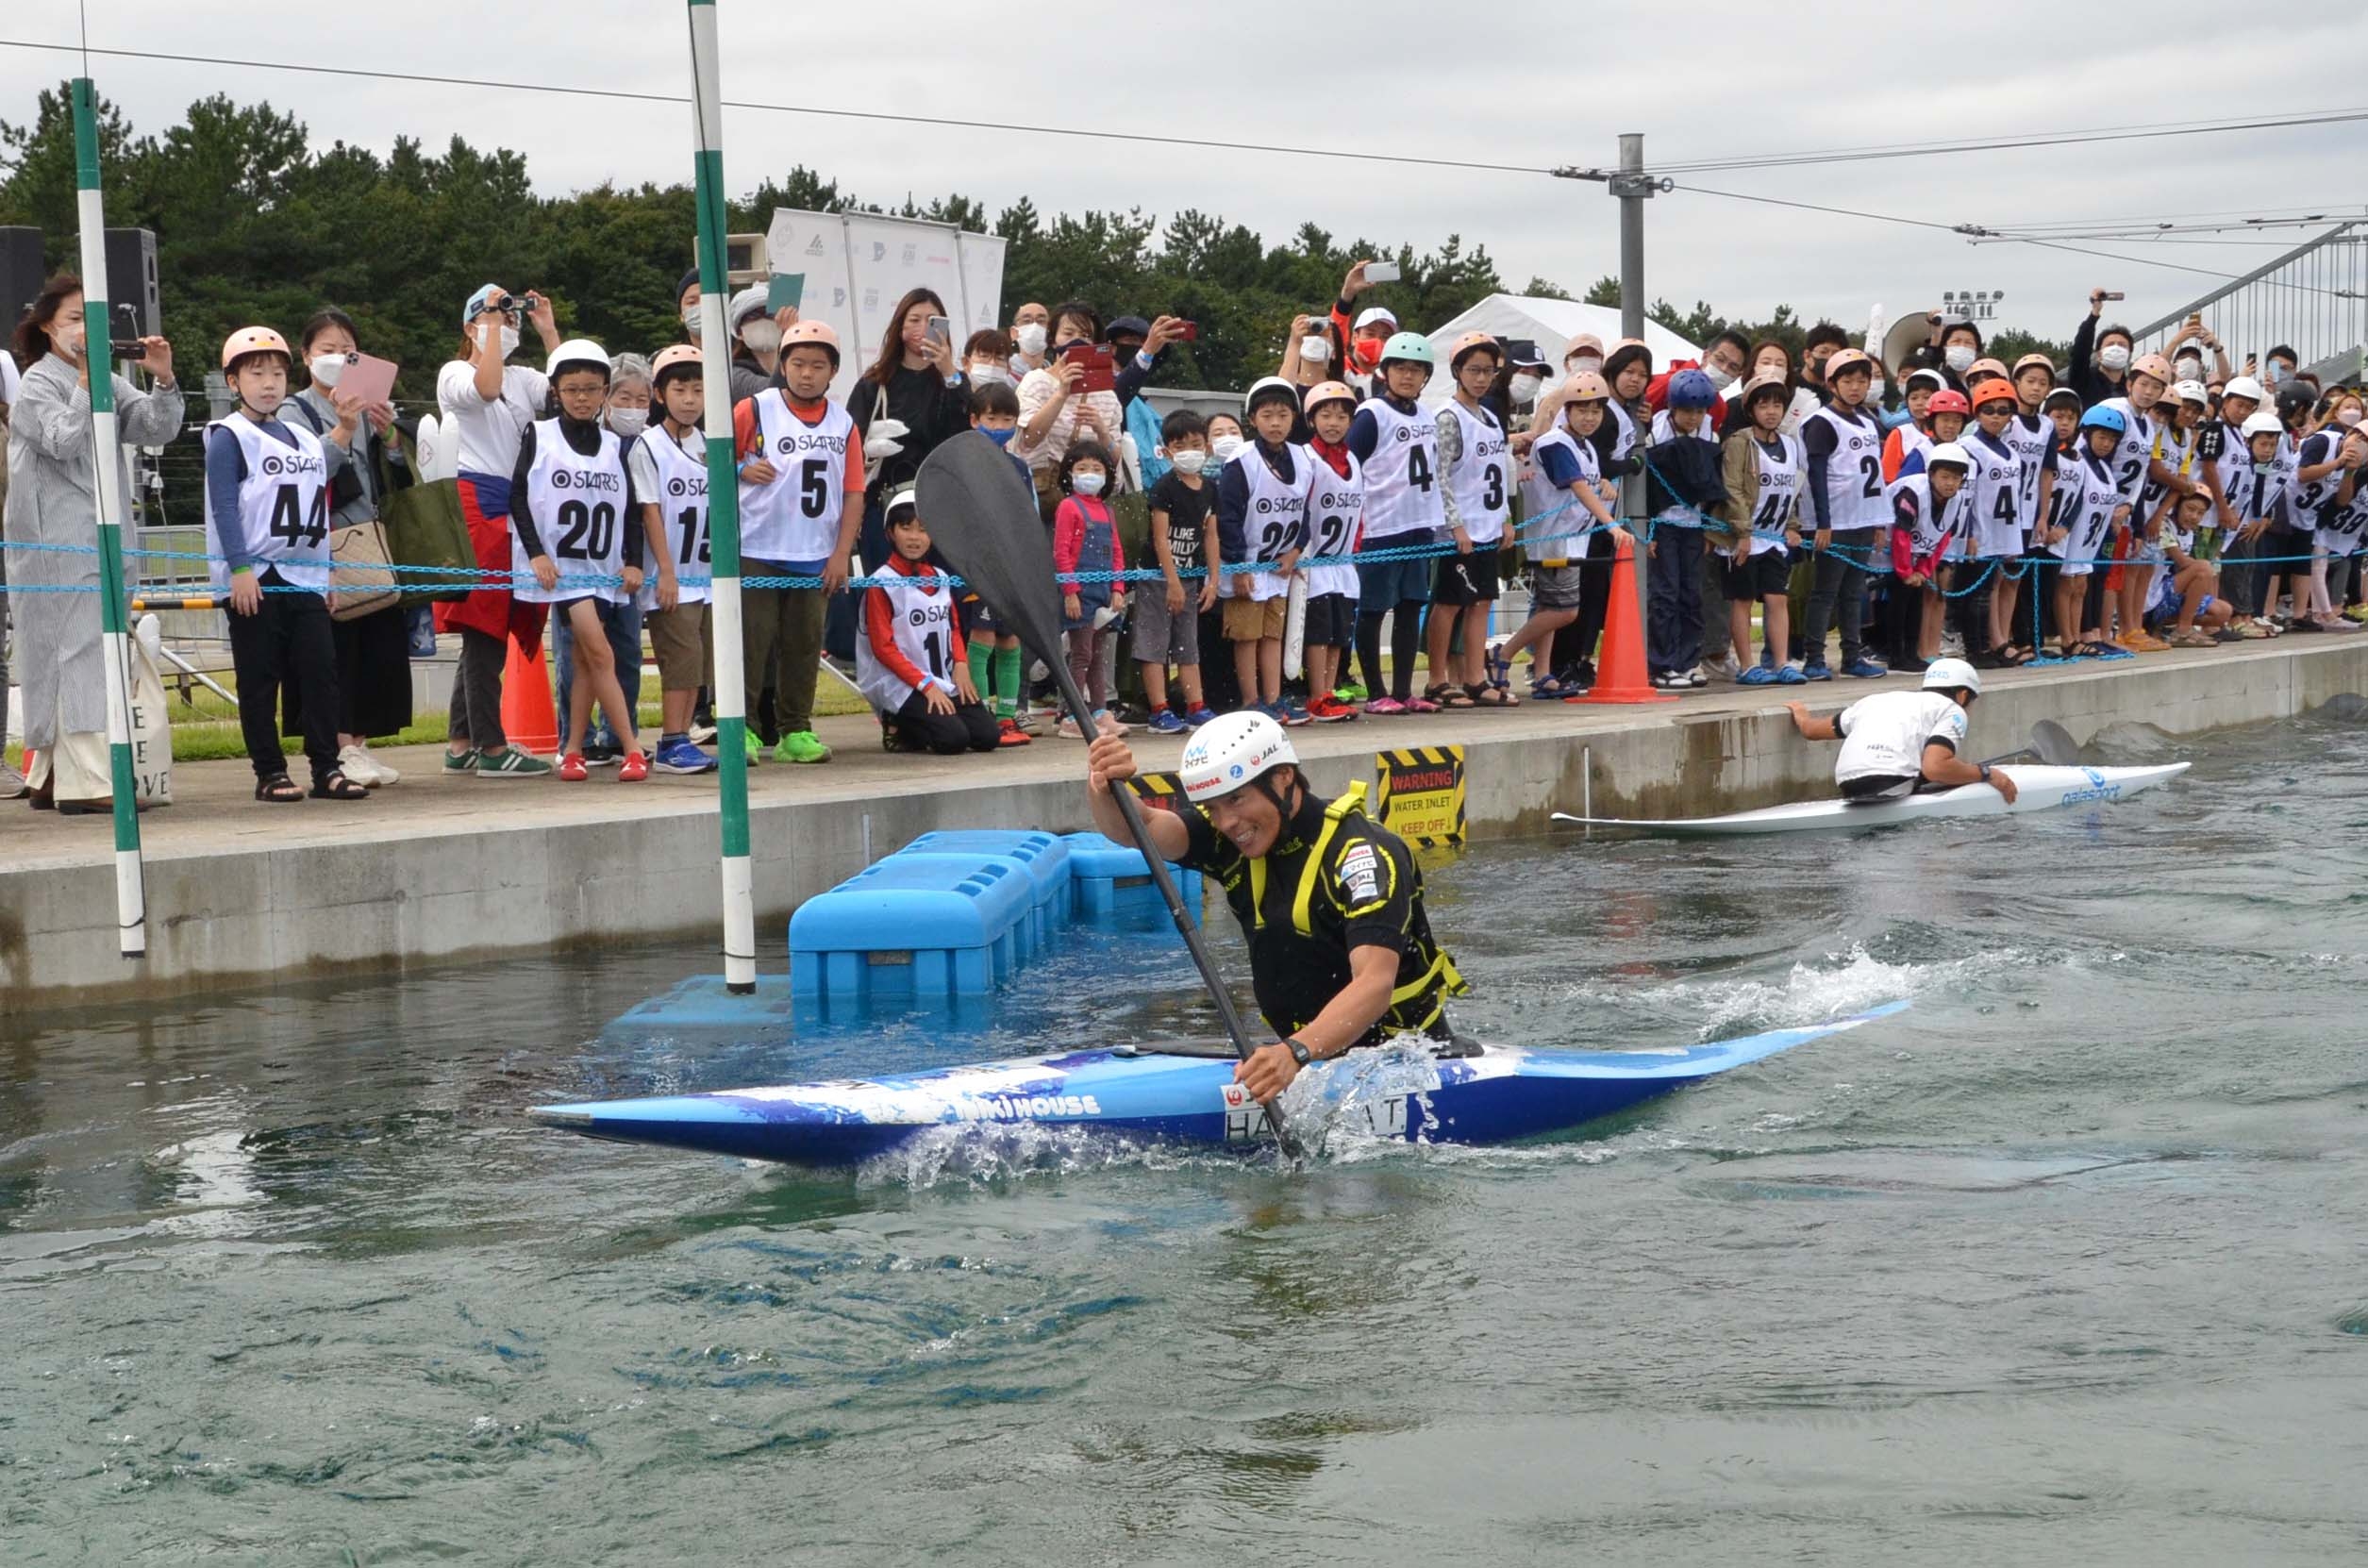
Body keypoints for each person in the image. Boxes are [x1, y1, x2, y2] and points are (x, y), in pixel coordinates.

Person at [1083, 709, 1466, 1103]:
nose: (1227, 822)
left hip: (1405, 1062)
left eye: (1236, 799)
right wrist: (1104, 784)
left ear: (1283, 776)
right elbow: (1138, 827)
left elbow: (1374, 983)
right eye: (1213, 808)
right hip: (1304, 1059)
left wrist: (1294, 1053)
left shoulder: (1363, 856)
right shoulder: (1228, 841)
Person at [4, 274, 183, 811]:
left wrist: (164, 380)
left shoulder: (105, 377)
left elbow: (154, 428)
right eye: (75, 319)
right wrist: (86, 382)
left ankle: (52, 775)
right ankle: (89, 783)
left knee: (89, 648)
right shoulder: (39, 382)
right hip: (55, 540)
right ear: (47, 327)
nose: (86, 330)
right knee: (74, 649)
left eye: (92, 318)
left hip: (102, 532)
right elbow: (63, 439)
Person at [204, 326, 367, 804]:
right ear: (234, 382)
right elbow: (224, 508)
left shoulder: (302, 436)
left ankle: (326, 768)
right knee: (259, 677)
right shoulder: (228, 437)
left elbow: (318, 504)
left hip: (306, 575)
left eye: (277, 373)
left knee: (320, 672)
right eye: (256, 374)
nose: (269, 383)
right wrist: (239, 569)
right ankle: (269, 771)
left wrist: (330, 570)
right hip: (256, 575)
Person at [283, 307, 414, 786]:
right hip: (326, 541)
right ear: (306, 356)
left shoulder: (367, 403)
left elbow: (394, 472)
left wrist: (388, 435)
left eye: (346, 351)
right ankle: (337, 746)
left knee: (377, 642)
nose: (337, 359)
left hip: (372, 539)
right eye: (326, 350)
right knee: (335, 647)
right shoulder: (295, 410)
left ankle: (360, 742)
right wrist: (341, 426)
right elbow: (305, 470)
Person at [435, 282, 561, 779]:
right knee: (482, 626)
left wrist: (547, 330)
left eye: (509, 321)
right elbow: (486, 388)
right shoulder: (455, 372)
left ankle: (461, 740)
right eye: (494, 318)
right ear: (470, 327)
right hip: (475, 500)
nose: (506, 327)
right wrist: (487, 330)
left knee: (490, 625)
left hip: (513, 502)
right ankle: (491, 745)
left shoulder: (523, 376)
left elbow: (566, 390)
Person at [509, 339, 646, 783]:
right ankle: (632, 747)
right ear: (556, 391)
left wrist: (632, 560)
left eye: (591, 388)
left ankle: (572, 750)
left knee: (589, 660)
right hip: (563, 572)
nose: (582, 397)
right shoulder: (540, 434)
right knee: (602, 653)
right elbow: (518, 497)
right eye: (572, 389)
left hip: (602, 569)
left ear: (604, 390)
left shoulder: (614, 446)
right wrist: (535, 553)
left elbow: (630, 509)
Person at [734, 318, 863, 764]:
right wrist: (740, 470)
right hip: (758, 548)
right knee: (752, 644)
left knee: (805, 644)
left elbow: (852, 492)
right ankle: (744, 728)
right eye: (798, 363)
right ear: (784, 366)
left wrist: (841, 553)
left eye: (818, 365)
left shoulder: (844, 423)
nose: (807, 373)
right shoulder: (755, 408)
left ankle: (795, 729)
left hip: (814, 553)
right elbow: (708, 460)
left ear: (833, 372)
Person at [841, 288, 971, 659]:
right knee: (888, 601)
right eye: (913, 320)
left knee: (938, 602)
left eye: (931, 322)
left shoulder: (953, 383)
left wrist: (948, 372)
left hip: (937, 507)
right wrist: (867, 451)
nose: (921, 329)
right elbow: (849, 445)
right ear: (898, 328)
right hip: (887, 504)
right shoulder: (874, 383)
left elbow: (963, 434)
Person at [1497, 371, 1627, 695]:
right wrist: (1609, 524)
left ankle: (1544, 673)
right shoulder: (1556, 443)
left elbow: (1588, 482)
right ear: (1566, 411)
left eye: (1596, 411)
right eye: (1581, 410)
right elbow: (1577, 485)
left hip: (1572, 538)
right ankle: (1502, 654)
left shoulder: (1584, 446)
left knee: (1548, 608)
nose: (1589, 417)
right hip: (1553, 540)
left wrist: (1605, 484)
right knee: (1565, 611)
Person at [552, 351, 653, 763]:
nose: (631, 408)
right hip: (571, 570)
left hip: (619, 567)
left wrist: (635, 561)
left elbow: (634, 511)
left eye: (642, 399)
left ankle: (616, 734)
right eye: (624, 398)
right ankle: (576, 741)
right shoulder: (567, 436)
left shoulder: (642, 444)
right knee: (579, 654)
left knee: (625, 649)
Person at [1345, 333, 1446, 715]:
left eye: (1416, 370)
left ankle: (1404, 691)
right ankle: (1375, 692)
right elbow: (1350, 464)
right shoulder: (1372, 414)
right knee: (1372, 610)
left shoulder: (1426, 415)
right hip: (1380, 528)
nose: (1407, 376)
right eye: (1400, 368)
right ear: (1385, 372)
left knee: (1410, 607)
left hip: (1418, 524)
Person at [631, 343, 718, 774]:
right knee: (679, 661)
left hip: (706, 576)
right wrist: (665, 572)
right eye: (680, 389)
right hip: (673, 576)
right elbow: (651, 511)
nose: (689, 400)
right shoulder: (648, 446)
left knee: (699, 663)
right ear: (660, 394)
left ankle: (682, 737)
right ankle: (671, 740)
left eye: (698, 390)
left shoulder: (709, 444)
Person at [859, 485, 998, 755]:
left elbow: (953, 628)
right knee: (953, 741)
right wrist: (925, 685)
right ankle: (896, 721)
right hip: (903, 681)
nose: (915, 538)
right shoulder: (882, 582)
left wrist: (960, 664)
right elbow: (882, 647)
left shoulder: (939, 576)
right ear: (890, 532)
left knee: (987, 736)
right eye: (906, 528)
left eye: (923, 530)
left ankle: (927, 720)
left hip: (941, 676)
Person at [1785, 657, 2017, 805]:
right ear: (1963, 695)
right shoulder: (1952, 709)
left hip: (1848, 784)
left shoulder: (1877, 700)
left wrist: (1800, 713)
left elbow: (1811, 730)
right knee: (1951, 773)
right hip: (1890, 782)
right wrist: (1986, 773)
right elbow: (1936, 767)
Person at [1217, 379, 1309, 724]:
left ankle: (1273, 698)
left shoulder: (1301, 458)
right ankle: (1250, 699)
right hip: (1248, 564)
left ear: (1293, 418)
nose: (1275, 422)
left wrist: (1296, 550)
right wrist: (1239, 566)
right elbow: (1228, 516)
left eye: (1282, 415)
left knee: (1272, 634)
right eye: (1267, 415)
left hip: (1279, 566)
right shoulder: (1243, 461)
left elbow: (1306, 510)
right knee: (1247, 636)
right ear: (1252, 419)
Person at [1430, 333, 1514, 707]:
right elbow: (1440, 474)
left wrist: (1506, 518)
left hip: (1487, 524)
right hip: (1461, 528)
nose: (1481, 379)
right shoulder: (1449, 418)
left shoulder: (1492, 418)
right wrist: (1454, 524)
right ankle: (1436, 679)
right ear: (1457, 371)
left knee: (1481, 601)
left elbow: (1496, 470)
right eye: (1474, 370)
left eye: (1488, 371)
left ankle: (1475, 678)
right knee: (1449, 602)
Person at [1797, 347, 1892, 680]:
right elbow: (1817, 476)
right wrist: (1823, 523)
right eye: (1848, 380)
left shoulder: (1868, 420)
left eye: (1861, 380)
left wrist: (1879, 520)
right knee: (1826, 591)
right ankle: (1814, 658)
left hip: (1863, 518)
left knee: (1855, 591)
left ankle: (1852, 655)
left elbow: (1875, 475)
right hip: (1836, 521)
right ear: (1832, 384)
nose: (1856, 387)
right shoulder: (1822, 422)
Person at [1643, 369, 1735, 690]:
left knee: (1691, 595)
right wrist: (1648, 533)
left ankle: (1687, 660)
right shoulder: (1654, 435)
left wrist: (1710, 529)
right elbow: (1647, 489)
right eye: (1687, 411)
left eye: (1700, 411)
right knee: (1664, 594)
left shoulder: (1710, 435)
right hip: (1663, 524)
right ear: (1672, 408)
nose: (1694, 417)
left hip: (1693, 526)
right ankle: (1661, 663)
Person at [958, 380, 1037, 743]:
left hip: (1014, 568)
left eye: (1008, 420)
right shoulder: (962, 462)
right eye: (993, 418)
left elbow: (1029, 515)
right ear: (975, 419)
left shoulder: (1020, 467)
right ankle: (979, 711)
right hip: (978, 568)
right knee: (983, 636)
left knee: (1011, 640)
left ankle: (1007, 716)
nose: (1000, 427)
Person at [1718, 373, 1808, 684]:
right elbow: (1733, 488)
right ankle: (1746, 665)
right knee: (1742, 599)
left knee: (1777, 598)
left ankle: (1781, 662)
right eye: (1763, 404)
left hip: (1774, 538)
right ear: (1751, 409)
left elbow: (1791, 488)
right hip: (1746, 537)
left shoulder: (1789, 444)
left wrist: (1793, 525)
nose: (1771, 410)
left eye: (1777, 404)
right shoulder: (1740, 443)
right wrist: (1742, 532)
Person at [1140, 408, 1220, 731]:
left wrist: (1213, 580)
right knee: (1154, 645)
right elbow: (1160, 538)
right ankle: (1159, 708)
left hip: (1191, 577)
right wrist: (1171, 581)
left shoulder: (1210, 488)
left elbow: (1211, 535)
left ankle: (1195, 705)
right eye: (1180, 445)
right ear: (1167, 450)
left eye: (1196, 444)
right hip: (1158, 579)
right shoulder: (1164, 487)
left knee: (1189, 646)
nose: (1189, 452)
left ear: (1207, 446)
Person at [1015, 301, 1125, 521]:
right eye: (1068, 332)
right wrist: (1061, 394)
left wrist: (1102, 432)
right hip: (1040, 500)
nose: (1077, 339)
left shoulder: (1107, 397)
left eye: (1085, 335)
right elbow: (1029, 438)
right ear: (1052, 339)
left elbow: (1116, 461)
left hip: (1088, 507)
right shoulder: (1037, 381)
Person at [1300, 382, 1366, 722]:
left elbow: (1359, 512)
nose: (1333, 423)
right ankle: (1316, 694)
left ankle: (1329, 688)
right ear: (1312, 420)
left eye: (1342, 416)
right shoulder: (1306, 459)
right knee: (1319, 632)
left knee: (1340, 632)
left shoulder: (1353, 459)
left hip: (1344, 562)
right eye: (1325, 415)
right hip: (1315, 562)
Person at [1052, 440, 1126, 738]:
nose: (1089, 474)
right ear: (1069, 472)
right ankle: (1072, 714)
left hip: (1104, 593)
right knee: (1081, 653)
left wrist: (1118, 588)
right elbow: (1061, 552)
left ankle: (1098, 710)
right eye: (1082, 468)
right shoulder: (1068, 506)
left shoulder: (1107, 510)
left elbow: (1117, 551)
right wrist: (1070, 590)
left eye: (1096, 468)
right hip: (1080, 592)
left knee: (1098, 654)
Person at [2053, 405, 2138, 659]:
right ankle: (2067, 638)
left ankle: (2078, 636)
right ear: (2088, 434)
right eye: (2102, 437)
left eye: (2112, 440)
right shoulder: (2079, 461)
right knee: (2068, 585)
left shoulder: (2105, 469)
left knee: (2081, 586)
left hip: (2092, 541)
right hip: (2073, 537)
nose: (2106, 444)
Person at [1884, 441, 1973, 670]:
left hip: (1919, 555)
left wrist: (1923, 571)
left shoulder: (1958, 500)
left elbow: (1942, 537)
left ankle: (1912, 653)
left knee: (1915, 603)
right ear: (1932, 474)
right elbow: (1901, 534)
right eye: (1945, 477)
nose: (1950, 483)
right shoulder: (1912, 493)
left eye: (1955, 478)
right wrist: (1906, 572)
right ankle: (1896, 655)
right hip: (1891, 551)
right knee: (1898, 602)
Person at [2068, 289, 2135, 408]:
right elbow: (2080, 351)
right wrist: (2094, 313)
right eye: (2110, 344)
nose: (2116, 348)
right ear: (2099, 354)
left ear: (2129, 355)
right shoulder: (2083, 379)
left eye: (2122, 345)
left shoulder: (2132, 389)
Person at [1007, 302, 1051, 380]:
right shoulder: (1004, 375)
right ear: (1014, 333)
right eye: (1027, 321)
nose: (1034, 326)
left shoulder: (1056, 378)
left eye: (1041, 321)